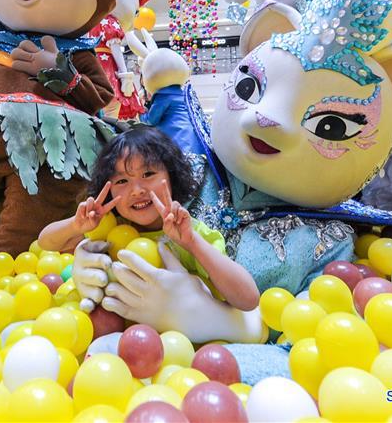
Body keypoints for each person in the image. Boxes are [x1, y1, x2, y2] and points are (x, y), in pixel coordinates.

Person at [39, 126, 260, 313]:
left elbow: (248, 299)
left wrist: (192, 242)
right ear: (109, 191)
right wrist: (75, 225)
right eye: (122, 181)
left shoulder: (187, 233)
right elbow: (46, 242)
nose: (136, 191)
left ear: (171, 177)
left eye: (147, 175)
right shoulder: (108, 227)